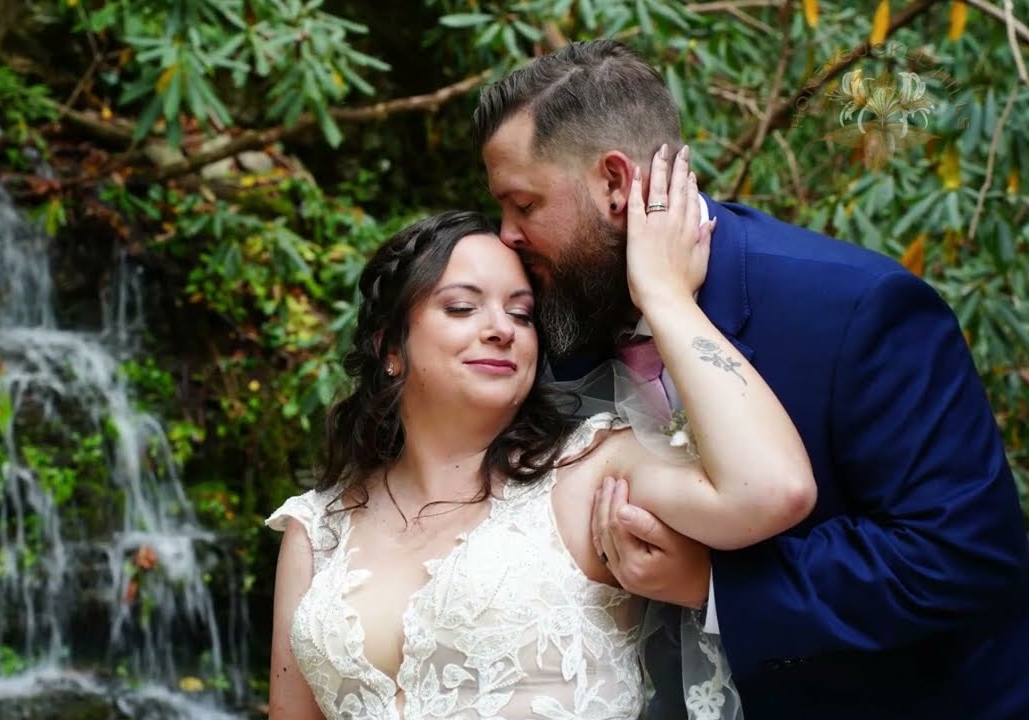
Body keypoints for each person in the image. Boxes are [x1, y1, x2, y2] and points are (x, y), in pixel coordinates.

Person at [474, 38, 1029, 720]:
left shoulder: (857, 308)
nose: (505, 235)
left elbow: (959, 557)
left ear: (615, 185)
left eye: (523, 205)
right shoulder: (551, 327)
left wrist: (715, 583)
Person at [265, 162, 816, 719]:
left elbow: (772, 490)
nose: (501, 328)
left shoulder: (592, 470)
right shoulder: (319, 527)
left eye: (522, 314)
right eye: (461, 307)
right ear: (390, 348)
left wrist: (665, 298)